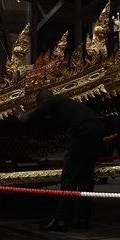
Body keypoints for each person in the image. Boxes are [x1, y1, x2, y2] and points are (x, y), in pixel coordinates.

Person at [19, 87, 104, 231]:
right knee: (85, 177)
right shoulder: (65, 102)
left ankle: (61, 219)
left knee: (69, 176)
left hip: (82, 131)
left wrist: (20, 114)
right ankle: (83, 218)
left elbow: (31, 117)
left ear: (43, 100)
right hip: (96, 128)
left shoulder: (51, 100)